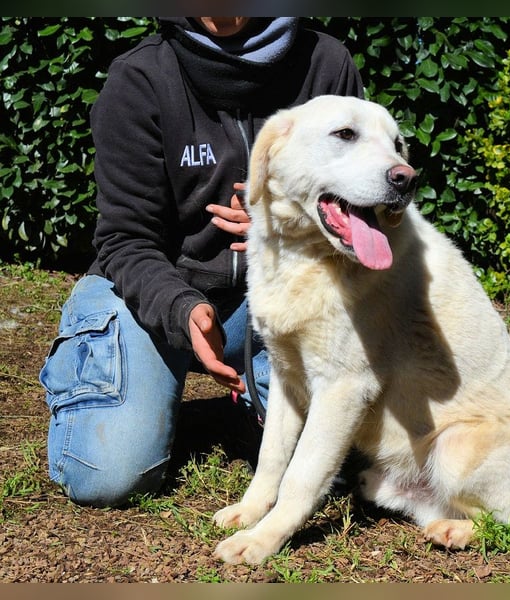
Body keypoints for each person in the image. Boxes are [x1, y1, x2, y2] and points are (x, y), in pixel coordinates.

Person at [38, 17, 364, 507]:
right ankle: (111, 380)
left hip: (277, 298)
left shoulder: (325, 63)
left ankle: (230, 404)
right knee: (105, 475)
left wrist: (287, 227)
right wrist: (181, 307)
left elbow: (359, 198)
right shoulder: (140, 78)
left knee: (344, 469)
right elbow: (125, 239)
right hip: (151, 294)